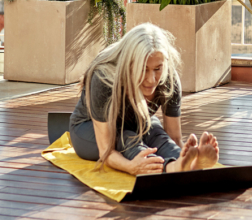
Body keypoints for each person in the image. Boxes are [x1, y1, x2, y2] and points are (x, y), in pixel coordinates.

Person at [69, 23, 219, 175]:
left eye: (157, 69)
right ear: (129, 64)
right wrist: (130, 167)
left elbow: (173, 136)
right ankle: (170, 168)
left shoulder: (169, 79)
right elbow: (106, 151)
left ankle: (187, 165)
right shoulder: (105, 77)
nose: (151, 80)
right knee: (127, 138)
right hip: (88, 130)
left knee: (157, 133)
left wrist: (182, 154)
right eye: (143, 69)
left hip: (138, 122)